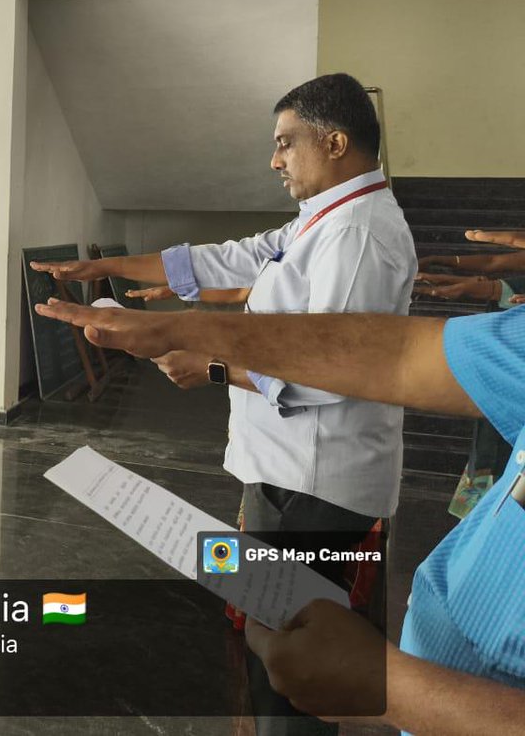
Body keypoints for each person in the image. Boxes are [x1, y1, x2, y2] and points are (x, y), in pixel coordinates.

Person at [33, 73, 416, 733]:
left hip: (315, 487)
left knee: (292, 657)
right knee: (267, 634)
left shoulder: (358, 235)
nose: (274, 161)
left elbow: (329, 370)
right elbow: (234, 258)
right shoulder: (322, 218)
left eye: (285, 143)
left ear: (335, 140)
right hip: (284, 471)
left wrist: (211, 368)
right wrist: (115, 268)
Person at [33, 298, 525, 734]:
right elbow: (396, 353)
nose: (283, 185)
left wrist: (389, 687)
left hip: (315, 485)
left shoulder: (359, 233)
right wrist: (181, 329)